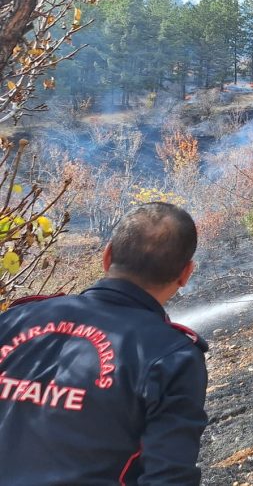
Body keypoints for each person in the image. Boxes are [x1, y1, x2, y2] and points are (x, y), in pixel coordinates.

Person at [0, 202, 208, 485]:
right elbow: (169, 477)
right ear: (186, 273)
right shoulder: (173, 356)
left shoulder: (13, 320)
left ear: (107, 255)